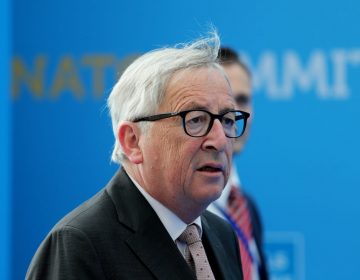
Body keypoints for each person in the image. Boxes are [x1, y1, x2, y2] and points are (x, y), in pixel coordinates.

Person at [26, 33, 251, 280]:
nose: (220, 141)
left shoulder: (221, 235)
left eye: (228, 120)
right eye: (196, 120)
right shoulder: (79, 244)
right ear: (132, 141)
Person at [207, 47, 269, 280]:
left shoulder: (246, 207)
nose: (235, 114)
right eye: (224, 102)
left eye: (242, 100)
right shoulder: (182, 212)